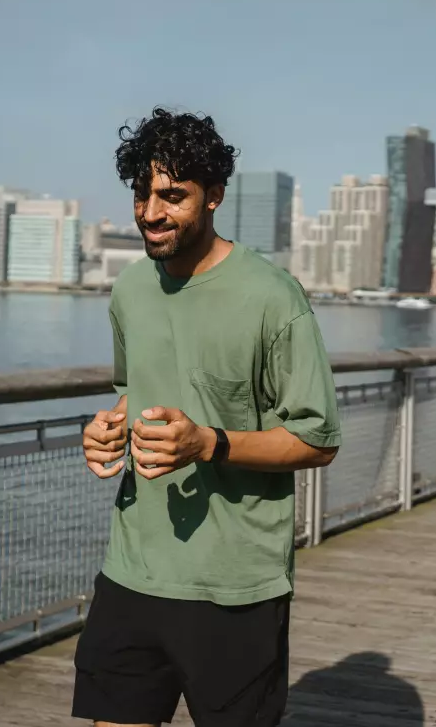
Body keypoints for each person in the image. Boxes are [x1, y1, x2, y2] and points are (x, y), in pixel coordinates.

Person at [73, 107, 342, 727]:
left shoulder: (274, 297)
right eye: (142, 193)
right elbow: (133, 390)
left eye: (172, 196)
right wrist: (105, 428)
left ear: (215, 196)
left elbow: (317, 439)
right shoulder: (129, 289)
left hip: (235, 584)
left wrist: (208, 444)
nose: (150, 212)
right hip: (132, 570)